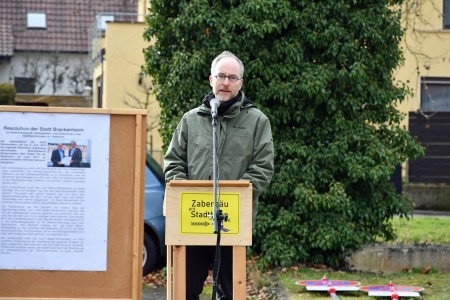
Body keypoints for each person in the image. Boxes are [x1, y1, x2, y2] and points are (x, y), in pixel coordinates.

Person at [164, 51, 274, 299]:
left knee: (230, 291)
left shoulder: (257, 121)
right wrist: (186, 196)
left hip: (232, 222)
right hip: (192, 220)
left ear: (240, 83)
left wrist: (235, 197)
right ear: (211, 80)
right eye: (221, 76)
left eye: (232, 77)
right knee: (186, 289)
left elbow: (263, 168)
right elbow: (173, 163)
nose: (226, 82)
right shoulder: (190, 120)